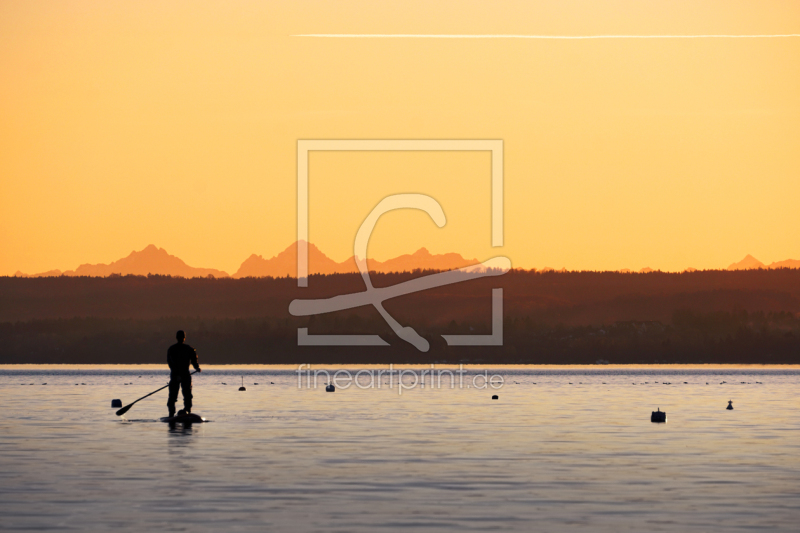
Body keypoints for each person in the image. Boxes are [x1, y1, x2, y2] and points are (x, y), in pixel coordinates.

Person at [167, 330, 201, 418]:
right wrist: (177, 375)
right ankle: (171, 414)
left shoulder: (188, 349)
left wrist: (196, 367)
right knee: (174, 396)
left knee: (187, 395)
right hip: (177, 376)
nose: (182, 338)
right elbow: (171, 363)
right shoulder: (173, 349)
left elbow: (194, 360)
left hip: (184, 375)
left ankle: (187, 411)